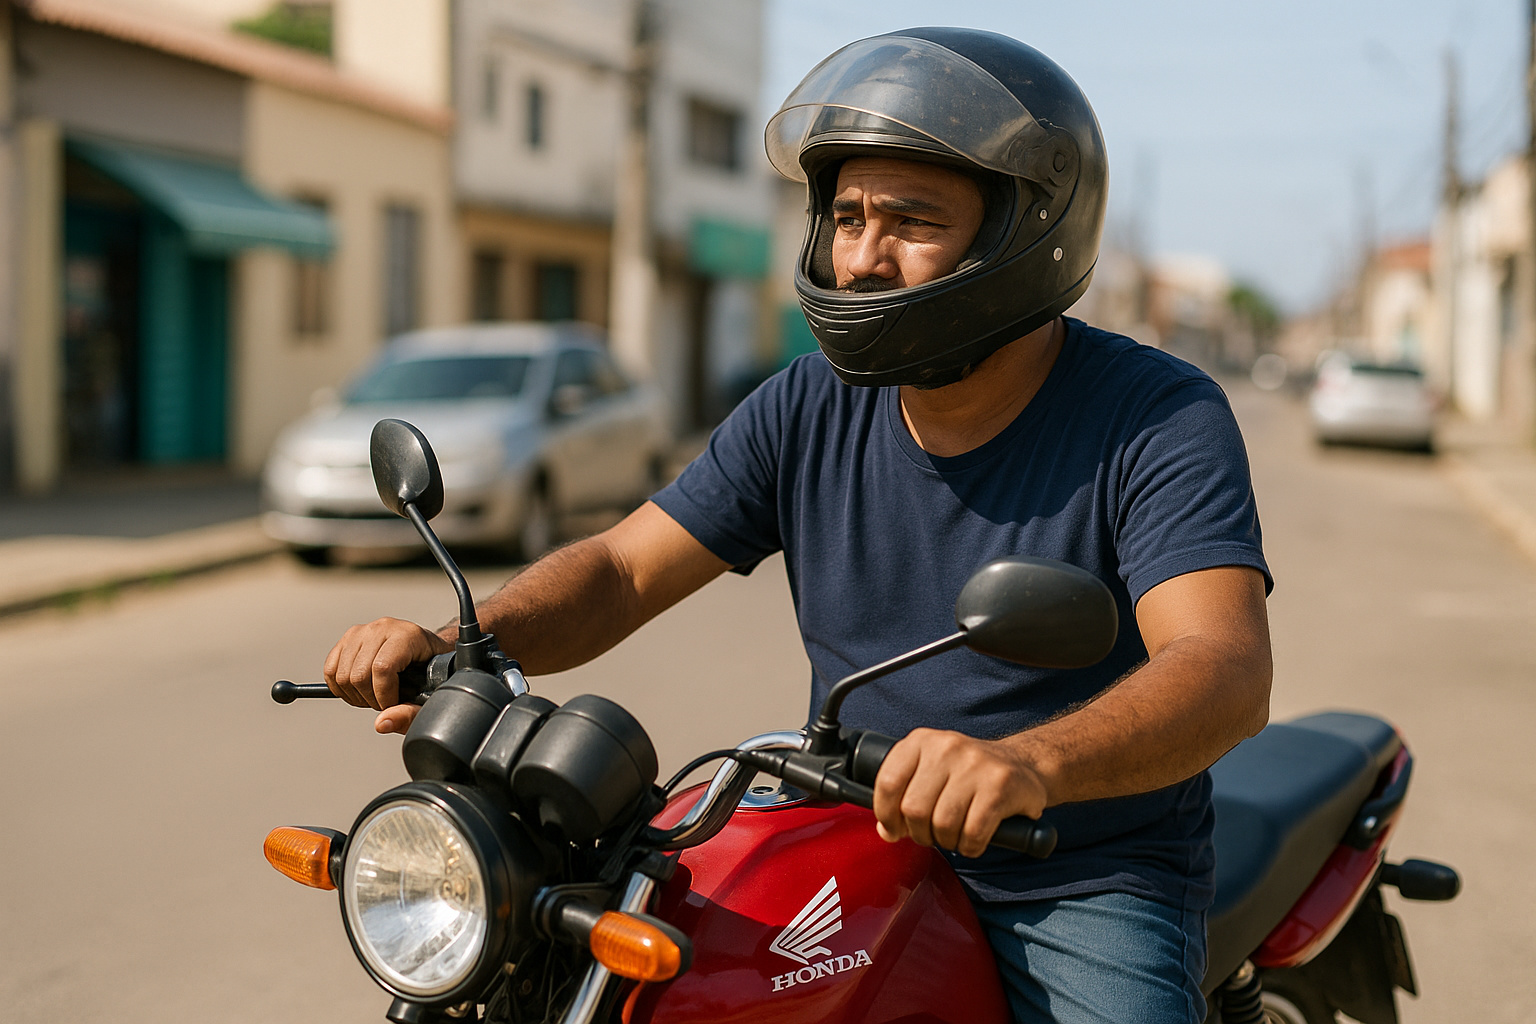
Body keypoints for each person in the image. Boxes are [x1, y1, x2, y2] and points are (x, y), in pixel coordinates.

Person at [324, 28, 1272, 1024]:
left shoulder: (1156, 416)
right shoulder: (809, 402)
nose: (863, 256)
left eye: (912, 220)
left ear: (1024, 231)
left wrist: (1030, 763)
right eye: (849, 216)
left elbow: (1222, 665)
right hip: (850, 830)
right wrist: (462, 643)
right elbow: (622, 568)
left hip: (1074, 872)